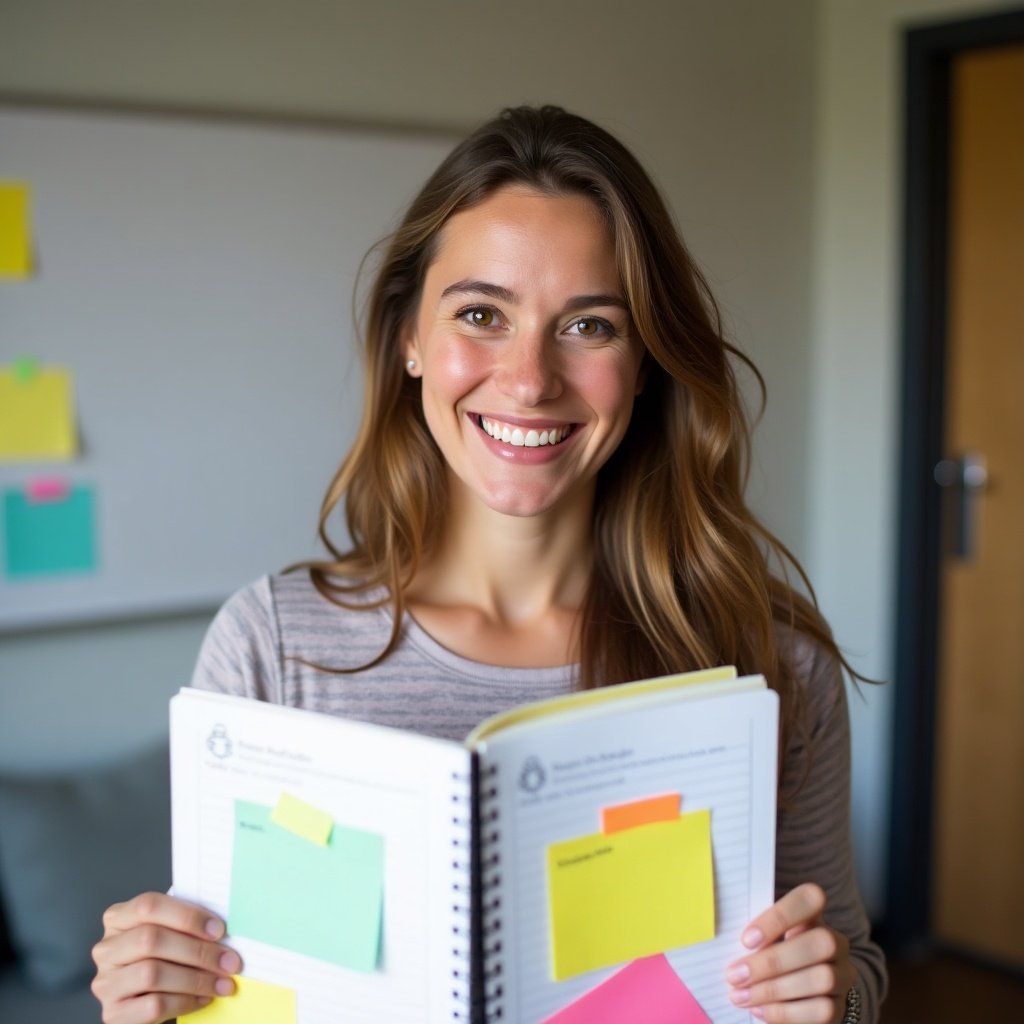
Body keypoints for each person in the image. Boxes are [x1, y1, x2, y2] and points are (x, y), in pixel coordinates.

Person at [91, 105, 886, 1024]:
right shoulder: (271, 645)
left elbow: (854, 967)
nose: (529, 378)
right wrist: (153, 995)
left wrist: (831, 1001)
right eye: (481, 314)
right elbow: (229, 987)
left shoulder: (771, 657)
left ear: (646, 364)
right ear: (411, 341)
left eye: (590, 326)